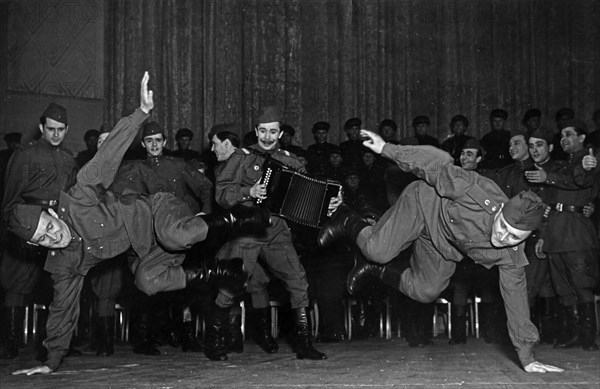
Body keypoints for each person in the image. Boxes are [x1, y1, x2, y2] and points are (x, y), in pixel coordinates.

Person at [9, 73, 265, 375]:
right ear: (35, 245)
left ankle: (242, 218)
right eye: (44, 239)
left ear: (52, 214)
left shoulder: (78, 197)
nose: (55, 236)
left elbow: (107, 154)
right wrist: (50, 362)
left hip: (157, 212)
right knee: (146, 281)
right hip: (146, 248)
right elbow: (62, 310)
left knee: (172, 236)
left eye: (49, 227)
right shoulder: (63, 264)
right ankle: (220, 271)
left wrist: (141, 113)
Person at [318, 129, 564, 373]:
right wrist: (387, 149)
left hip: (443, 244)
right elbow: (435, 162)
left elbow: (517, 302)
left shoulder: (512, 255)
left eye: (513, 237)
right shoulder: (471, 191)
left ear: (526, 237)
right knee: (377, 250)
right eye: (502, 227)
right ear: (499, 212)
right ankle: (346, 218)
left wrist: (527, 356)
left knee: (426, 291)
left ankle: (375, 271)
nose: (503, 238)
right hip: (424, 205)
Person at [205, 106, 341, 362]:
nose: (268, 137)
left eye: (273, 132)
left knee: (298, 279)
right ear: (256, 131)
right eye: (263, 131)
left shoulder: (290, 160)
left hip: (276, 230)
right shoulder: (240, 158)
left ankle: (304, 345)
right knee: (231, 285)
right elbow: (222, 195)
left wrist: (331, 201)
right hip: (248, 229)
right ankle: (214, 341)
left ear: (281, 133)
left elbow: (312, 193)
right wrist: (248, 193)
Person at [0, 102, 79, 361]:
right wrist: (21, 233)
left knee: (58, 287)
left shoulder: (69, 159)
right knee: (17, 284)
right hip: (30, 226)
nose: (56, 134)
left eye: (61, 129)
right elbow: (10, 202)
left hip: (57, 230)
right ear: (41, 127)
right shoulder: (25, 155)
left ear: (67, 129)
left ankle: (53, 344)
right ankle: (10, 342)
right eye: (51, 129)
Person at [526, 118, 599, 351]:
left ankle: (588, 336)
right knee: (563, 286)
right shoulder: (563, 164)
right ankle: (575, 333)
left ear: (582, 137)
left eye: (569, 134)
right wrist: (545, 235)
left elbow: (580, 181)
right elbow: (552, 199)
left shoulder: (588, 161)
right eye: (561, 136)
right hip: (557, 229)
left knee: (581, 283)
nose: (563, 139)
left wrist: (588, 165)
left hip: (576, 230)